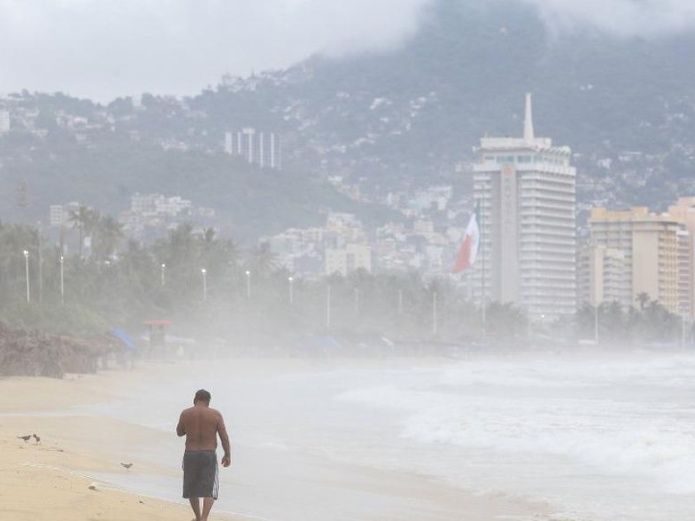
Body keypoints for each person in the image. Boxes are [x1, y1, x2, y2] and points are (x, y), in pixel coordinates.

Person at [177, 389, 231, 521]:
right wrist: (227, 454)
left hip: (190, 454)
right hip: (208, 454)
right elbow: (224, 437)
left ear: (195, 400)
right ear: (208, 402)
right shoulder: (216, 415)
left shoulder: (186, 413)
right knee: (210, 489)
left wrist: (190, 427)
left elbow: (179, 432)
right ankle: (204, 518)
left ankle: (198, 517)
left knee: (192, 488)